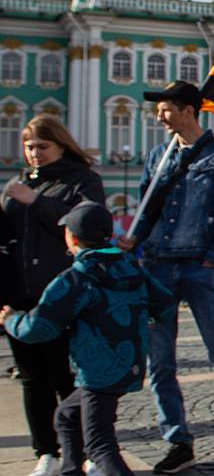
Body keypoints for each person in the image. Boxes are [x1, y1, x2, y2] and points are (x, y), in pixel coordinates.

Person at [124, 80, 214, 472]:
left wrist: (213, 256)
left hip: (197, 266)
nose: (159, 116)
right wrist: (133, 240)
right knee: (161, 363)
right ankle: (178, 441)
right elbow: (147, 208)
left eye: (166, 108)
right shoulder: (159, 156)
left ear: (188, 110)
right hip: (157, 267)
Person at [2, 200, 174, 476]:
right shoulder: (131, 267)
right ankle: (71, 470)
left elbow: (38, 329)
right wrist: (141, 321)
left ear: (72, 237)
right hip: (128, 364)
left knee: (99, 444)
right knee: (67, 417)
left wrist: (11, 320)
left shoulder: (76, 278)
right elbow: (165, 305)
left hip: (96, 372)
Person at [1, 114, 104, 476]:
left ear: (61, 144)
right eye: (29, 147)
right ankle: (46, 451)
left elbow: (89, 222)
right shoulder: (18, 184)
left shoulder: (83, 181)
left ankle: (85, 450)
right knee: (33, 379)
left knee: (68, 378)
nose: (34, 154)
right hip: (22, 294)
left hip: (65, 294)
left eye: (42, 146)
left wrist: (35, 202)